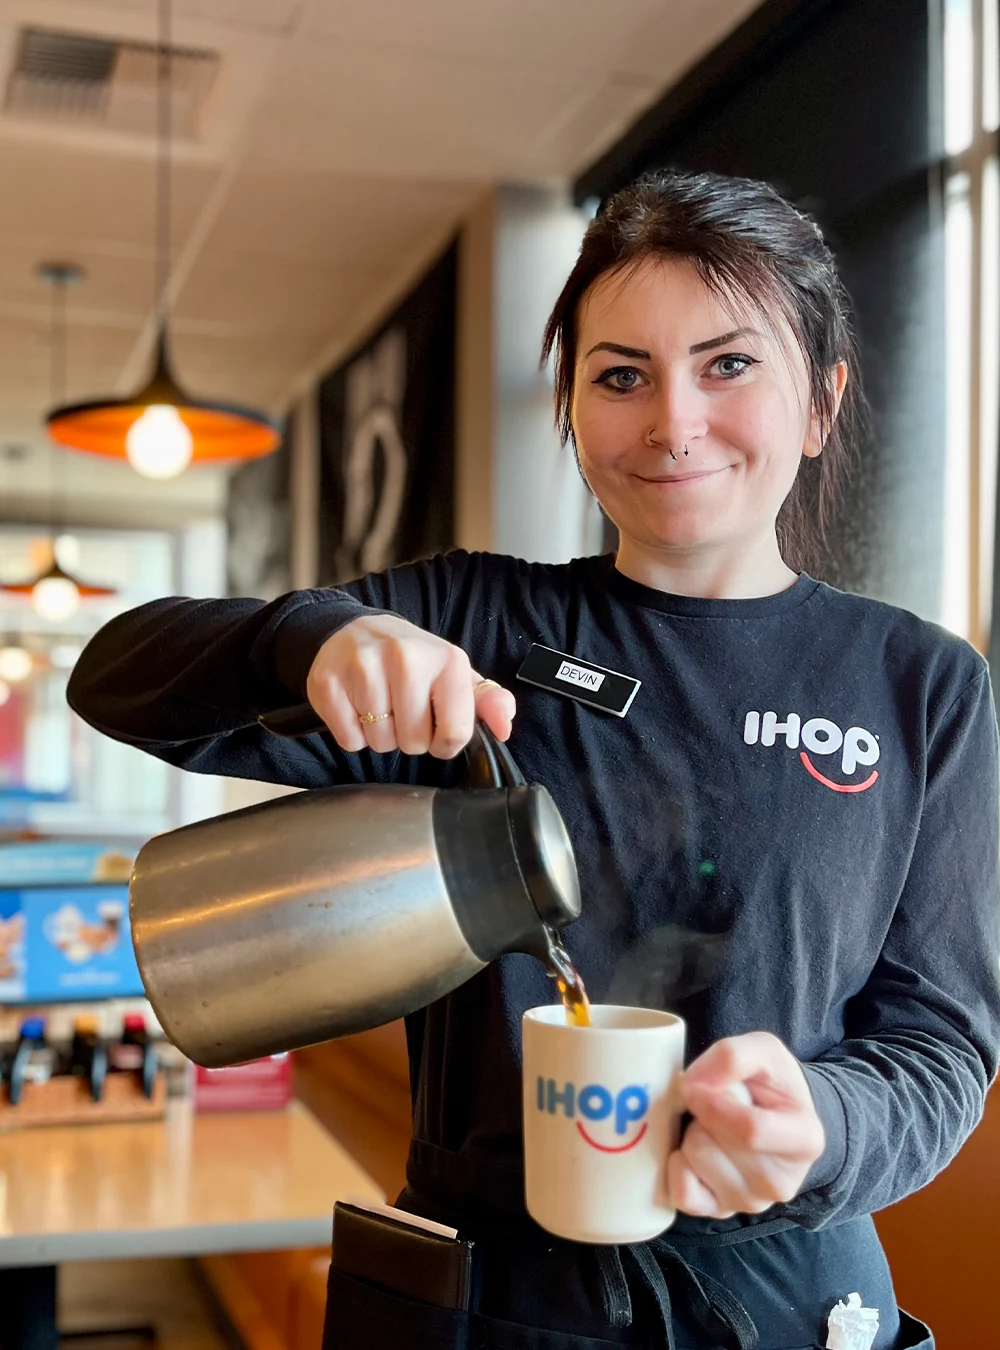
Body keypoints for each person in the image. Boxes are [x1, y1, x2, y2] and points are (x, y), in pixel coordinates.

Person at [68, 170, 999, 1350]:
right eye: (620, 376)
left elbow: (940, 1040)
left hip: (786, 1300)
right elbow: (115, 679)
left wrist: (824, 1123)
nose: (673, 421)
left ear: (819, 404)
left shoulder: (917, 684)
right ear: (570, 408)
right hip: (490, 1298)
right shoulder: (474, 620)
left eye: (728, 365)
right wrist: (311, 641)